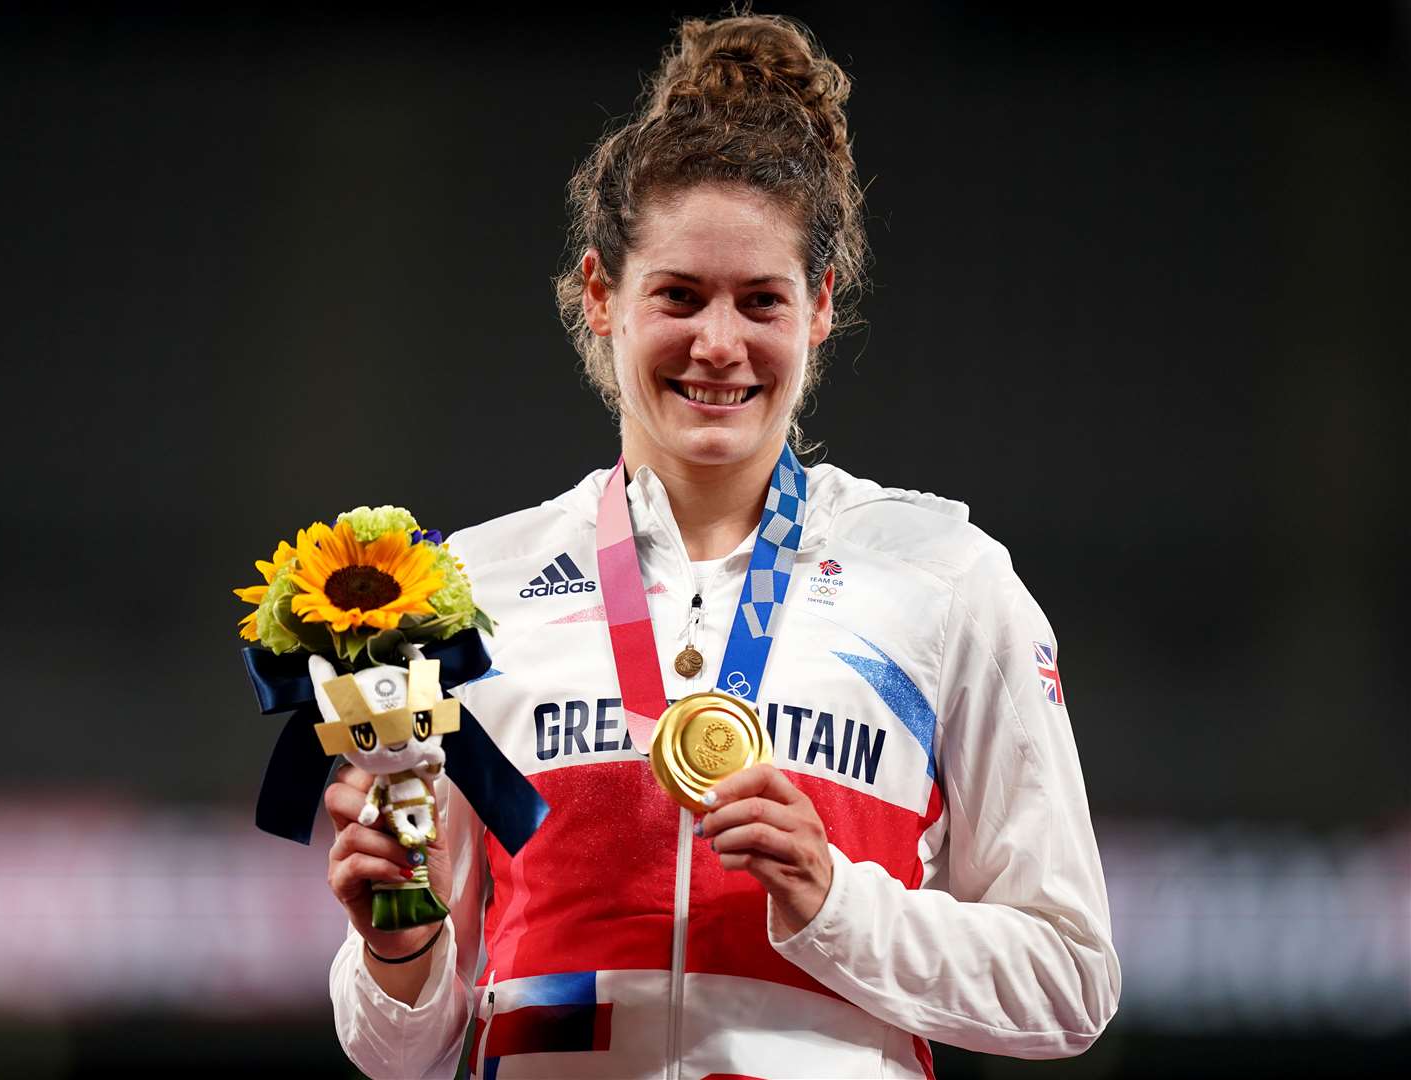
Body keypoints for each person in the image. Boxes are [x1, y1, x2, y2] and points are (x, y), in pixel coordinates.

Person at [323, 12, 1120, 1079]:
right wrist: (399, 944)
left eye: (761, 302)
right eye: (680, 296)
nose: (718, 345)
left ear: (820, 309)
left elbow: (1068, 983)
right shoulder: (470, 590)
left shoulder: (945, 579)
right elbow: (398, 1048)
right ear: (603, 296)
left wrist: (836, 902)